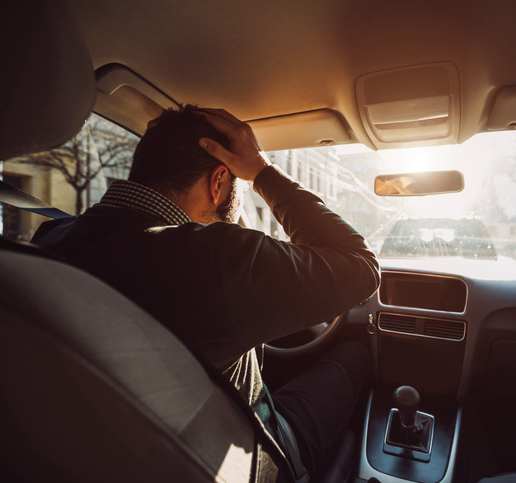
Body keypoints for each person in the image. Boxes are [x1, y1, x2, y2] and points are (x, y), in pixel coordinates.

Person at [31, 105, 381, 478]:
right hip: (251, 453)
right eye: (241, 186)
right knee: (353, 353)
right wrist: (263, 173)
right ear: (218, 182)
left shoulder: (50, 240)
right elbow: (362, 268)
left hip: (112, 453)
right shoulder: (220, 257)